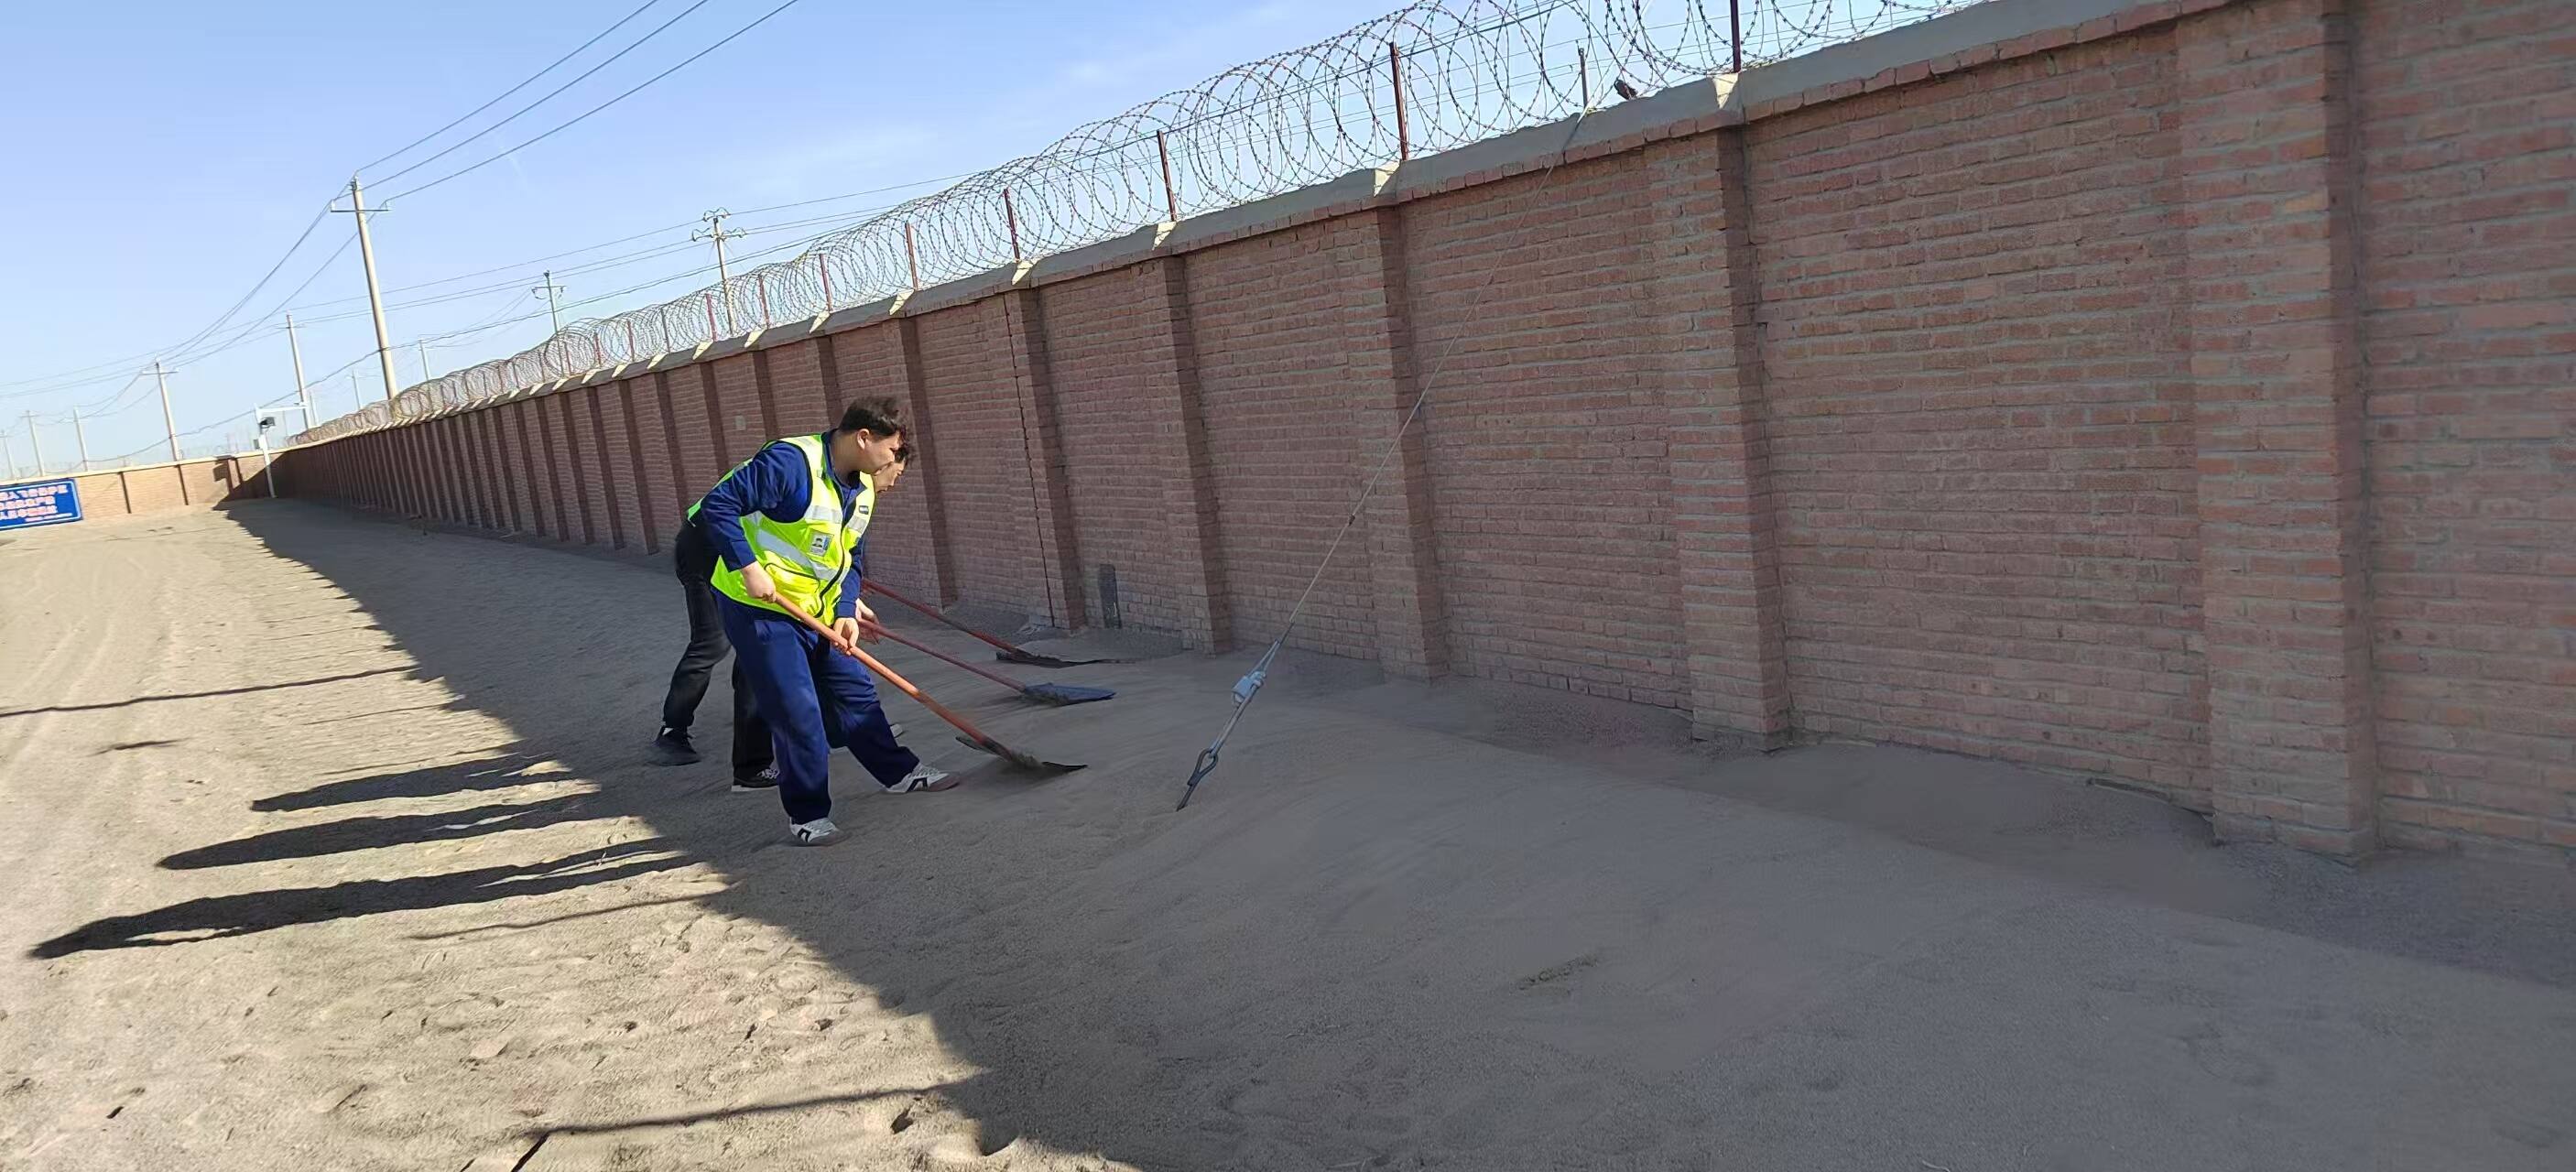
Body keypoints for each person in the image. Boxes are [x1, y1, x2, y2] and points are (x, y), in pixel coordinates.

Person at [688, 396, 953, 847]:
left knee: (855, 692)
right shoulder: (791, 463)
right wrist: (747, 567)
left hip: (819, 608)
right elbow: (717, 505)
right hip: (761, 610)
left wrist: (847, 608)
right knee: (798, 712)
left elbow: (851, 556)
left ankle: (899, 773)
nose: (895, 460)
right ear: (864, 437)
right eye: (892, 450)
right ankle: (808, 815)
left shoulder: (862, 488)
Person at [651, 447, 911, 788]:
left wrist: (845, 601)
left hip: (753, 554)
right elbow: (739, 518)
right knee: (719, 645)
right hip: (708, 545)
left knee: (803, 644)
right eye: (896, 472)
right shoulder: (808, 471)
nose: (893, 483)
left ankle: (838, 730)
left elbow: (815, 550)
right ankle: (683, 735)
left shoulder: (846, 485)